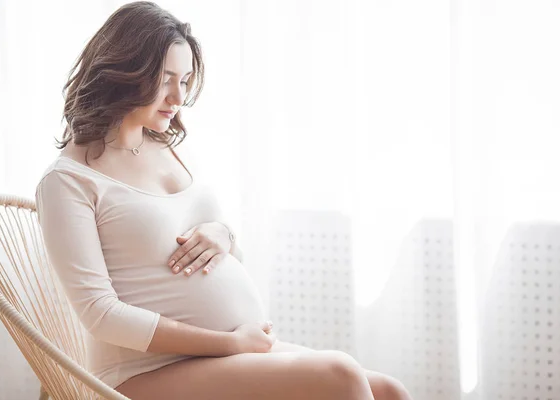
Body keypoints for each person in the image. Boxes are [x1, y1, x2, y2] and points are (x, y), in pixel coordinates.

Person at [35, 2, 413, 399]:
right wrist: (230, 344)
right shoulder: (68, 181)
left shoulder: (168, 148)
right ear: (123, 72)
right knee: (340, 373)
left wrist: (224, 234)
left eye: (185, 81)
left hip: (222, 355)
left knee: (390, 390)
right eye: (165, 80)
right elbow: (101, 315)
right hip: (142, 372)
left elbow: (231, 258)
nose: (178, 97)